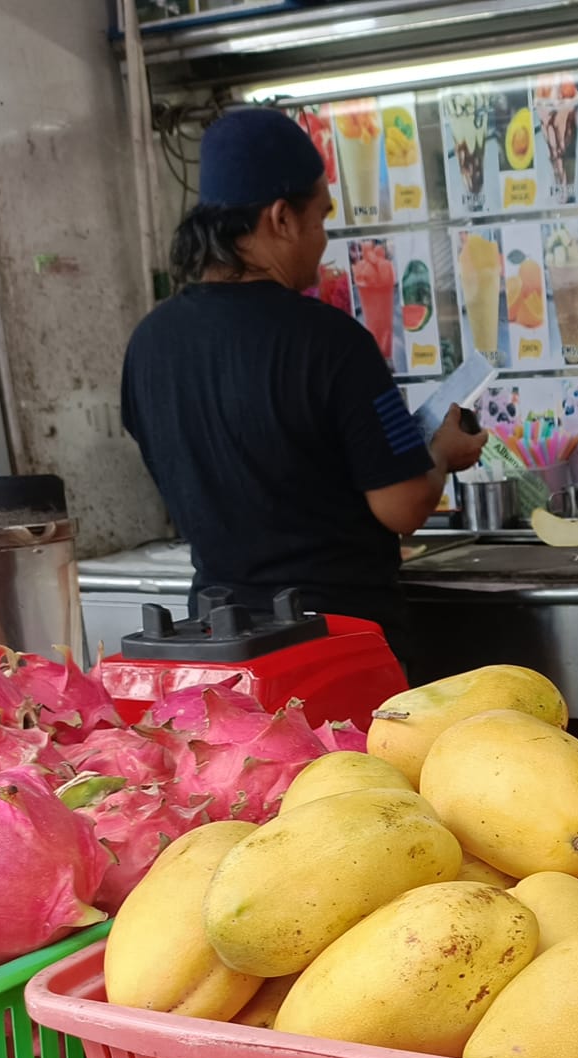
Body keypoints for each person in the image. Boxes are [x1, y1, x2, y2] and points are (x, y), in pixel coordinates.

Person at [120, 108, 484, 665]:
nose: (323, 238)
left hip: (216, 649)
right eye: (319, 218)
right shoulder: (332, 343)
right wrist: (440, 455)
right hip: (337, 646)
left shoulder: (148, 345)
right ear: (281, 218)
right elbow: (403, 505)